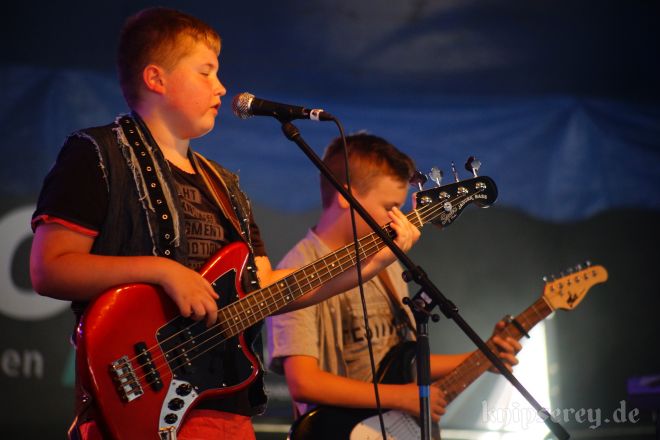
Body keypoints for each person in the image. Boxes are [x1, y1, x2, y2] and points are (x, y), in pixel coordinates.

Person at [29, 8, 420, 440]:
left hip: (225, 409)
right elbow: (50, 269)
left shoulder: (224, 185)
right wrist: (163, 270)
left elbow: (266, 288)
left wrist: (375, 262)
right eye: (206, 72)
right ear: (156, 79)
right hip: (136, 404)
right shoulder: (97, 153)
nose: (221, 87)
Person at [266, 133, 522, 428]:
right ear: (345, 196)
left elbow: (404, 362)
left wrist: (483, 356)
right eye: (389, 206)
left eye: (400, 208)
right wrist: (400, 397)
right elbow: (304, 383)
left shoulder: (386, 262)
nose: (396, 218)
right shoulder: (297, 270)